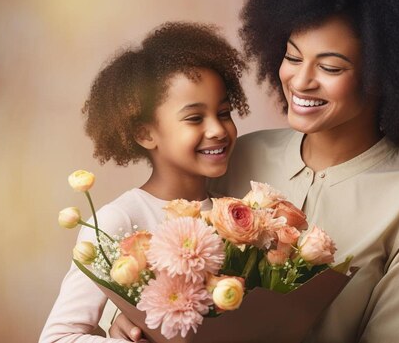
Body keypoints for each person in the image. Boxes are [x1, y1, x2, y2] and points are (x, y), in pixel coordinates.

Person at [110, 0, 399, 343]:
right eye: (292, 56)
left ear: (384, 77)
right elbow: (164, 258)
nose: (301, 81)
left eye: (331, 67)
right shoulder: (239, 153)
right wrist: (127, 318)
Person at [39, 22, 249, 343]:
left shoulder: (235, 216)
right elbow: (58, 337)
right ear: (145, 133)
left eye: (224, 112)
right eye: (195, 117)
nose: (218, 129)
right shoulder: (118, 220)